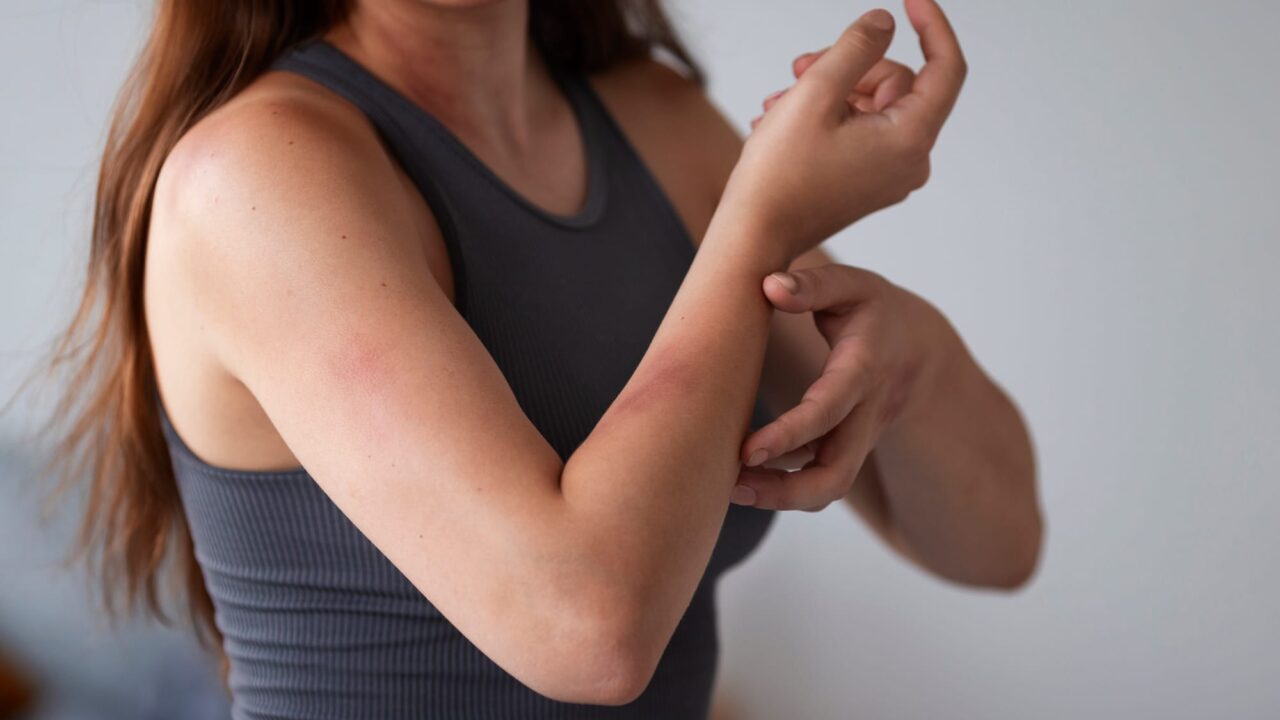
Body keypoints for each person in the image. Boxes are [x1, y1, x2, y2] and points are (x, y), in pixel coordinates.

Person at [27, 0, 1043, 717]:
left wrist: (906, 349)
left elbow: (997, 545)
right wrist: (760, 223)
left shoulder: (654, 121)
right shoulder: (255, 176)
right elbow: (587, 632)